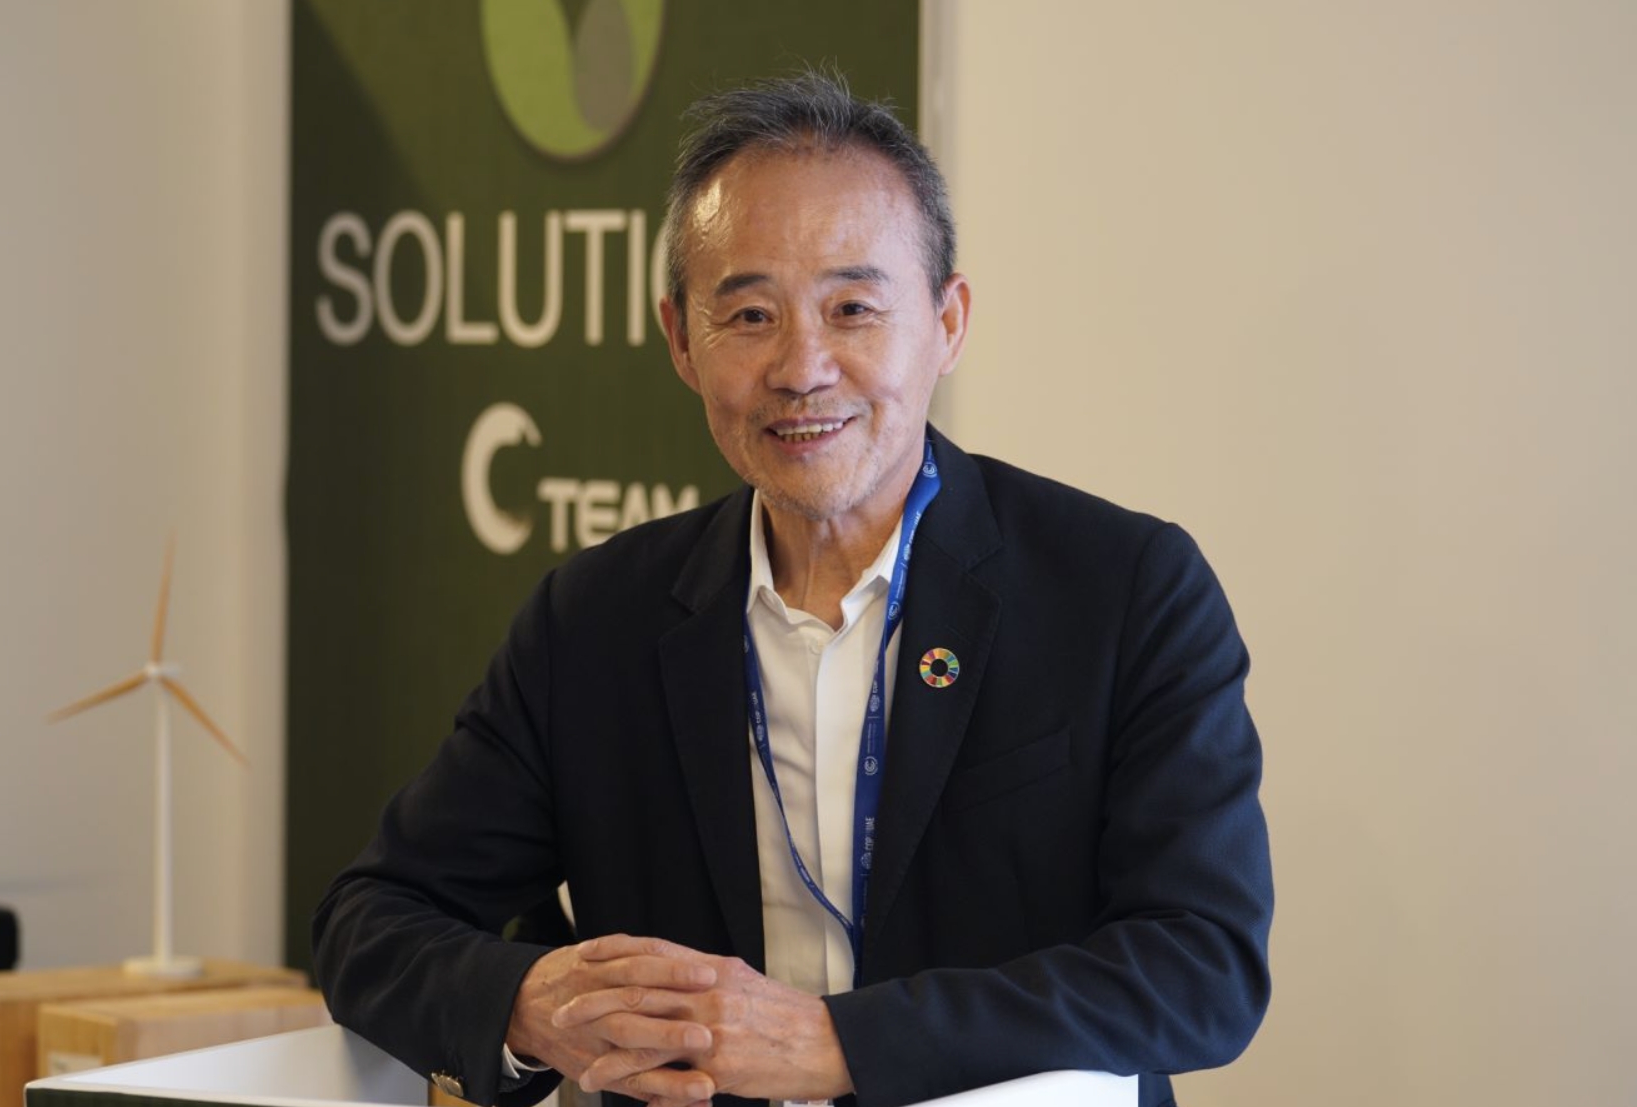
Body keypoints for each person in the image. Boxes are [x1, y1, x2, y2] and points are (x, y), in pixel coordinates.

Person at [314, 71, 1272, 1107]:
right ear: (680, 341)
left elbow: (1201, 964)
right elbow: (370, 921)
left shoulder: (1123, 591)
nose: (802, 367)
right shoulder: (593, 621)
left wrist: (839, 1044)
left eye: (852, 308)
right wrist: (527, 1002)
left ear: (947, 321)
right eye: (749, 315)